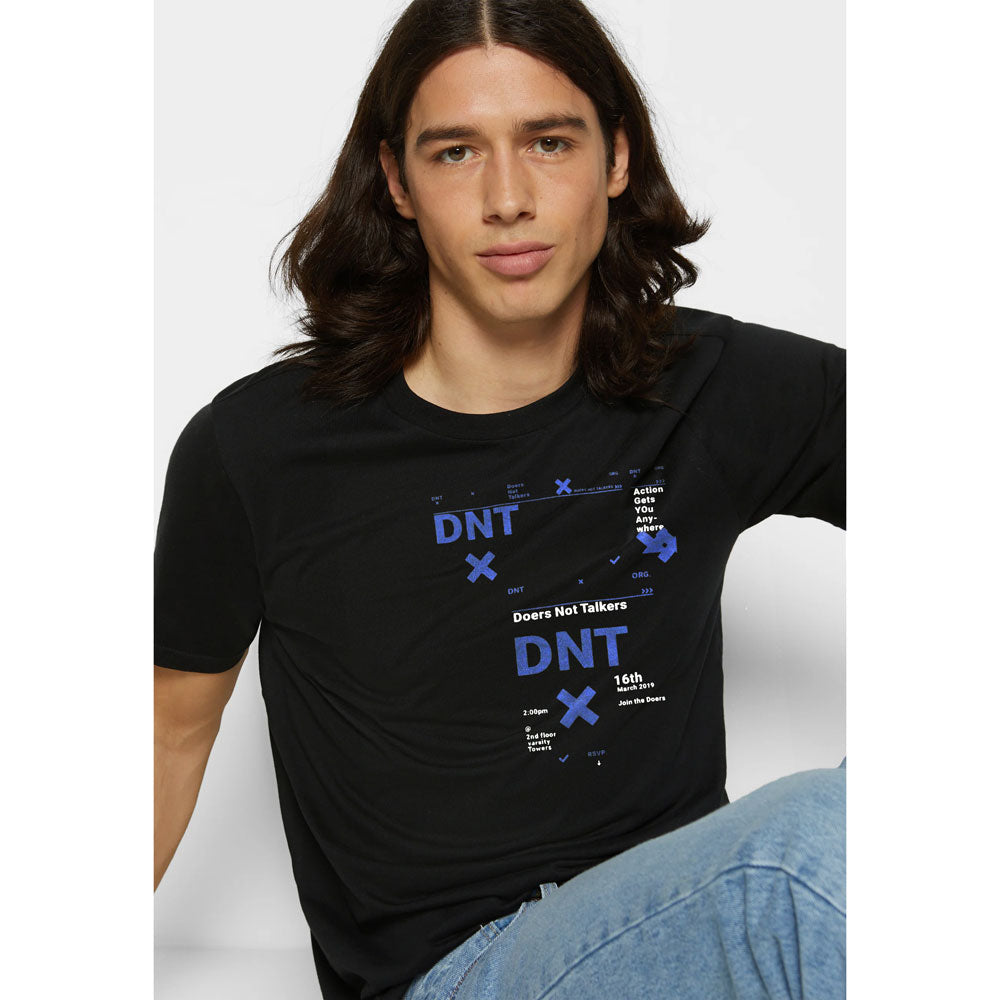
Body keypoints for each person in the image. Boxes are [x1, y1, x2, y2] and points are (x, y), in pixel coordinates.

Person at [154, 1, 845, 998]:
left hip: (688, 941)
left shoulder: (709, 386)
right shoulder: (260, 448)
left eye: (548, 142)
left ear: (616, 157)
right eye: (456, 152)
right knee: (810, 852)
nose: (508, 198)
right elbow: (167, 734)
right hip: (455, 973)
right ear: (397, 181)